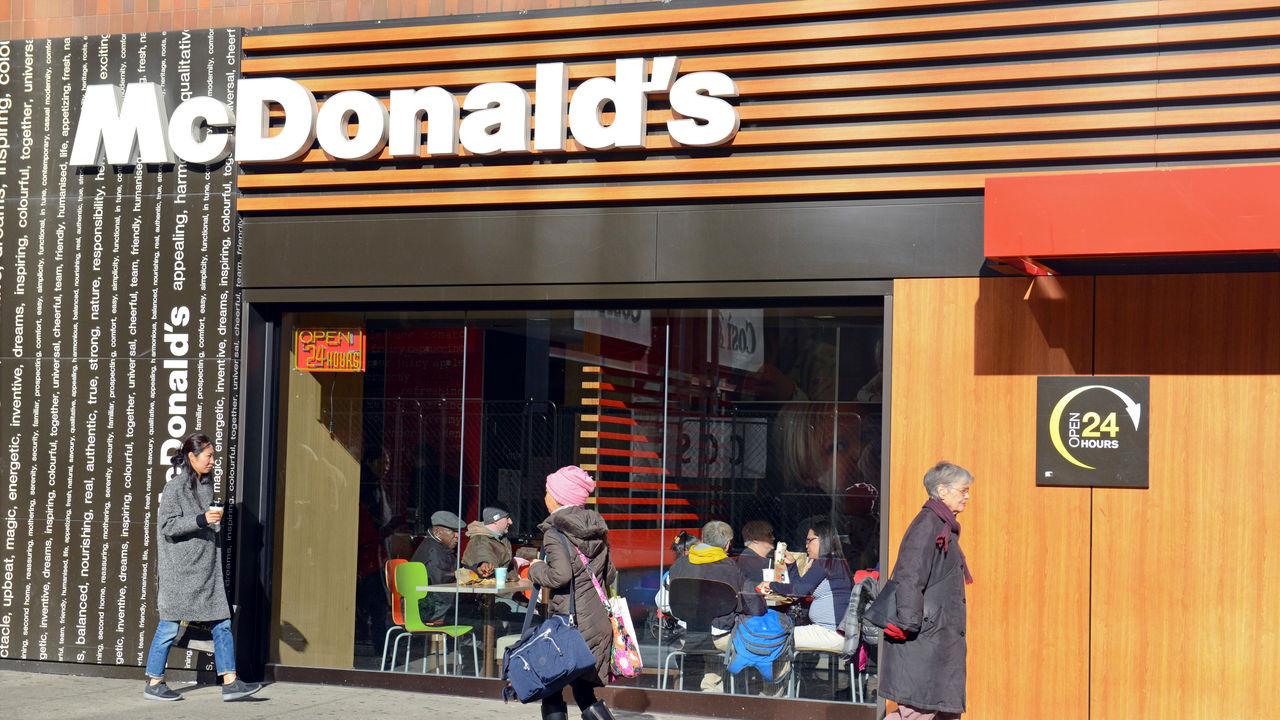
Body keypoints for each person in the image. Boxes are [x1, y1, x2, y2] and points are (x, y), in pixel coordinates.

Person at [143, 433, 261, 702]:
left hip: (206, 571)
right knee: (170, 626)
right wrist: (200, 518)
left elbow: (206, 523)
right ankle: (154, 681)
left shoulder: (206, 487)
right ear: (192, 457)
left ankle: (230, 682)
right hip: (181, 572)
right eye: (208, 456)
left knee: (222, 622)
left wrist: (212, 521)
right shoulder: (174, 488)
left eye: (213, 456)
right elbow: (167, 527)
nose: (212, 461)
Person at [879, 462, 975, 720]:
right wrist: (910, 623)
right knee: (918, 710)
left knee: (941, 710)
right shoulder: (928, 524)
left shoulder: (943, 525)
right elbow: (909, 575)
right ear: (942, 491)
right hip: (923, 639)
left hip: (936, 638)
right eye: (963, 490)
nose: (967, 496)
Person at [527, 466, 617, 720]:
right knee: (583, 689)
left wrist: (535, 569)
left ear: (557, 497)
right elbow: (609, 575)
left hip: (569, 624)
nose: (544, 496)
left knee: (551, 687)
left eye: (547, 491)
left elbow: (560, 576)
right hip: (596, 622)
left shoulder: (555, 533)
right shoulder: (597, 530)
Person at [666, 520, 766, 692]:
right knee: (723, 635)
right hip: (718, 640)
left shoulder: (679, 565)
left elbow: (662, 603)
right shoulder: (732, 569)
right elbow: (755, 607)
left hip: (683, 637)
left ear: (703, 539)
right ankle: (712, 691)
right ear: (727, 545)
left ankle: (692, 688)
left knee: (710, 636)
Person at [766, 520, 852, 653]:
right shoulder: (835, 562)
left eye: (809, 541)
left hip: (829, 633)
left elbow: (797, 591)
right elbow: (800, 588)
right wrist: (792, 565)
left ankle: (776, 673)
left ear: (822, 540)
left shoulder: (825, 562)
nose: (806, 546)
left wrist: (771, 584)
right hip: (835, 632)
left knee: (775, 635)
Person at [410, 510, 467, 622]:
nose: (458, 536)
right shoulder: (434, 552)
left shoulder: (440, 548)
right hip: (427, 609)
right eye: (453, 531)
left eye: (458, 531)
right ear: (437, 532)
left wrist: (478, 568)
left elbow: (457, 572)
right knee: (473, 614)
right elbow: (441, 589)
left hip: (428, 605)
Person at [462, 505, 514, 578]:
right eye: (507, 518)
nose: (510, 522)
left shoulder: (501, 539)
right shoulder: (480, 542)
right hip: (486, 587)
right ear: (495, 520)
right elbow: (491, 572)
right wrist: (512, 578)